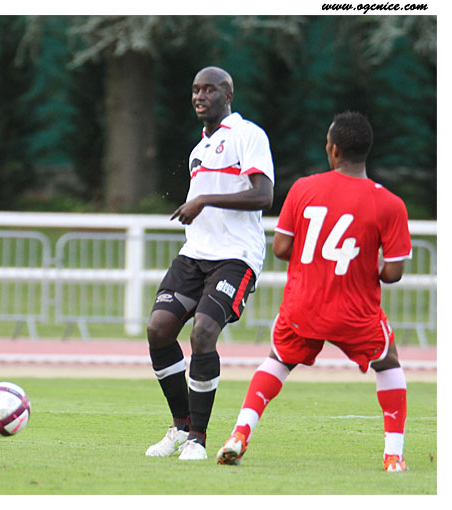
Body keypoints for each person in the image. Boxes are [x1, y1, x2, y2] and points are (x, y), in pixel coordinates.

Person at [216, 111, 412, 472]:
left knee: (278, 361)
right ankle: (393, 456)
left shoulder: (304, 188)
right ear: (366, 151)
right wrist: (370, 263)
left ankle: (240, 433)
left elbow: (280, 249)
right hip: (355, 311)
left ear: (333, 150)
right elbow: (393, 273)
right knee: (388, 363)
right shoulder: (390, 203)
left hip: (303, 306)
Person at [145, 66, 274, 461]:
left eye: (209, 90)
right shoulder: (198, 150)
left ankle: (198, 440)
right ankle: (180, 427)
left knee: (203, 332)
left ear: (227, 95)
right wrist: (198, 206)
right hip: (195, 254)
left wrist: (203, 201)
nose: (200, 97)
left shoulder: (248, 135)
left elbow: (264, 195)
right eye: (195, 90)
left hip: (236, 257)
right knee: (158, 329)